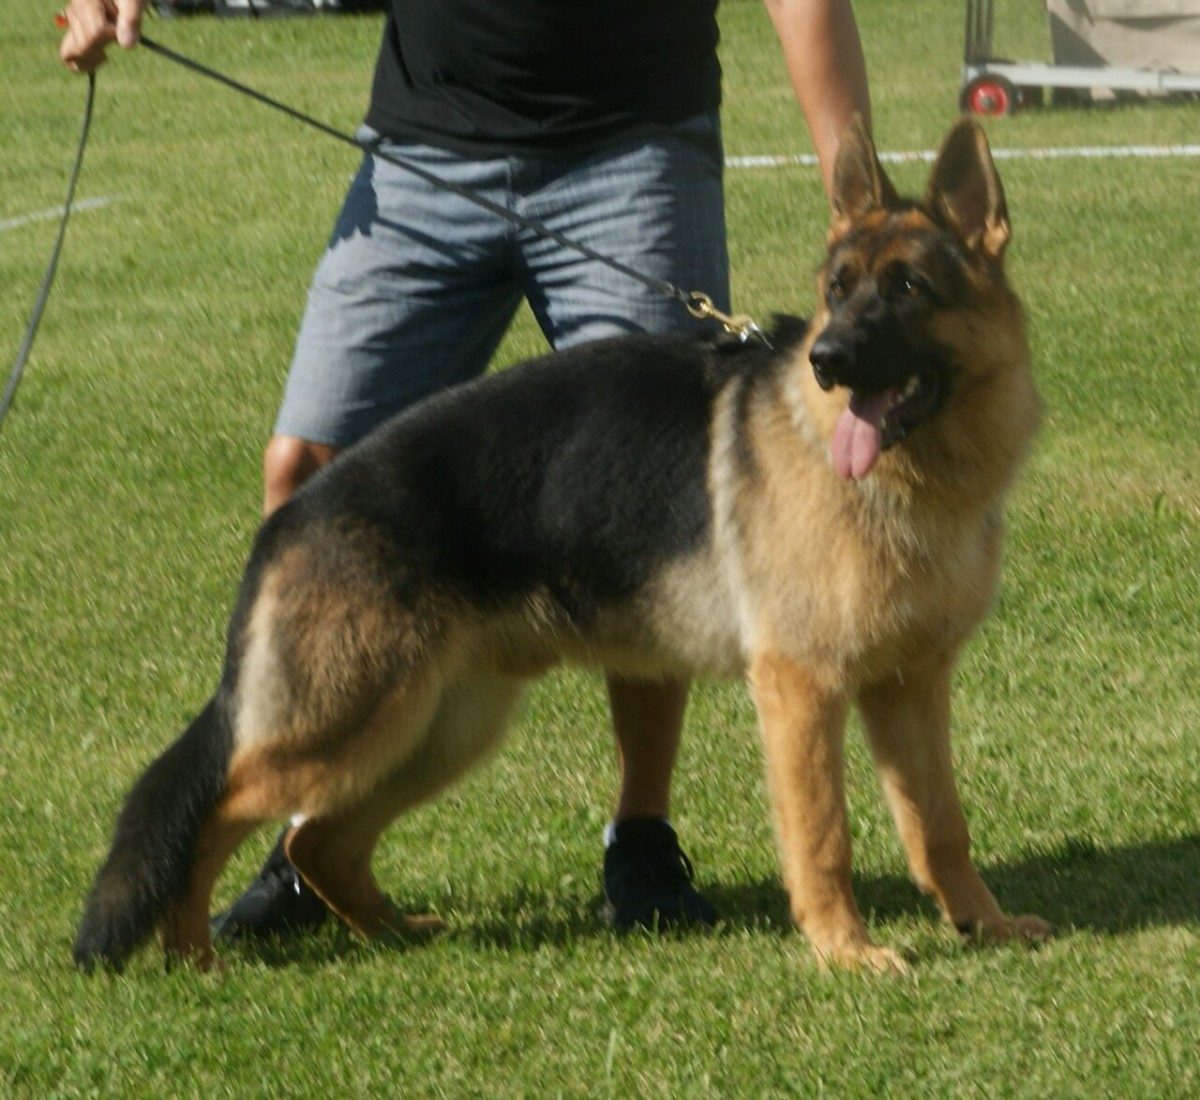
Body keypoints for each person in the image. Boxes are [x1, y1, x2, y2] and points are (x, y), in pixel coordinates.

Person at [60, 0, 871, 938]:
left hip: (631, 145)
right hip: (424, 147)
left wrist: (853, 203)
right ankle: (305, 839)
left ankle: (640, 834)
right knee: (308, 460)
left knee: (651, 506)